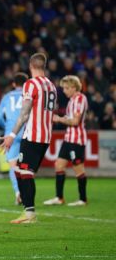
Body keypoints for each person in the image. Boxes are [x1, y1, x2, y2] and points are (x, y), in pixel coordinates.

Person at [1, 53, 57, 224]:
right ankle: (27, 210)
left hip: (32, 135)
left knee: (24, 172)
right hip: (46, 136)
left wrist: (11, 135)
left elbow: (24, 114)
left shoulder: (31, 84)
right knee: (21, 171)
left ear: (31, 66)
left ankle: (29, 214)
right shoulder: (52, 86)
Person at [43, 75, 89, 207]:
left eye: (67, 88)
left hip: (77, 140)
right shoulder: (72, 100)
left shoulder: (80, 99)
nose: (64, 90)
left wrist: (59, 118)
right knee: (59, 165)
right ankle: (59, 197)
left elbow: (75, 121)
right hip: (69, 139)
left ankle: (83, 199)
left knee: (78, 169)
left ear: (74, 87)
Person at [0, 72, 29, 205]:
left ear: (14, 84)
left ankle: (18, 192)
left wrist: (8, 128)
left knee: (13, 166)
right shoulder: (29, 95)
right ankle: (27, 192)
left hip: (11, 135)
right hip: (27, 132)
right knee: (27, 166)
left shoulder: (7, 97)